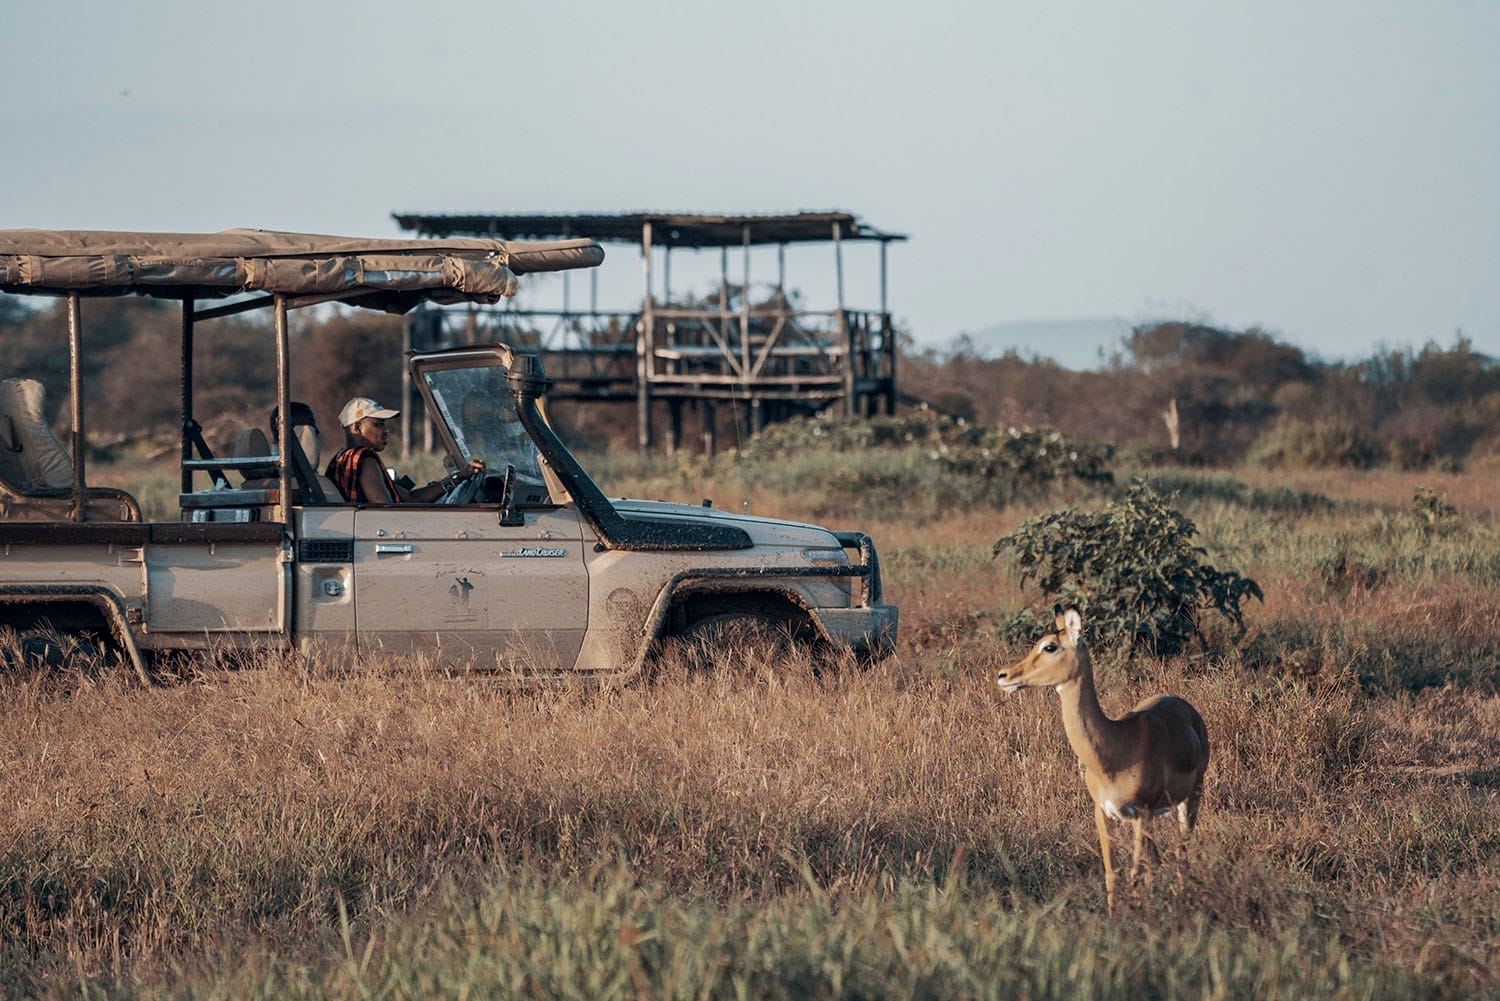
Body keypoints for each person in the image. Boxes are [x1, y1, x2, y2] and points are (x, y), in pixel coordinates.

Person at [325, 397, 484, 503]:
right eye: (378, 424)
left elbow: (409, 497)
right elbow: (385, 511)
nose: (386, 430)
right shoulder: (364, 459)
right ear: (356, 427)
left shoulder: (339, 459)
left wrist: (458, 477)